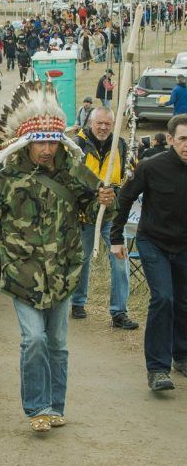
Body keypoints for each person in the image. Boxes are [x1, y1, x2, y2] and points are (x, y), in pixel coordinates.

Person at [0, 83, 115, 433]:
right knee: (33, 339)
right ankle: (36, 407)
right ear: (27, 144)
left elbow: (96, 210)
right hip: (22, 276)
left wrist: (108, 203)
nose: (47, 150)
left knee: (59, 345)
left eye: (52, 142)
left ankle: (55, 405)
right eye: (41, 143)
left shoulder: (75, 172)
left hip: (64, 273)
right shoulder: (5, 179)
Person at [111, 114, 187, 392]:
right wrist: (116, 237)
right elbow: (125, 197)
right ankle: (157, 369)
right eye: (182, 139)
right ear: (170, 140)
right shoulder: (150, 167)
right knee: (163, 298)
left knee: (183, 302)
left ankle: (182, 355)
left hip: (184, 244)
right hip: (153, 241)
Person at [70, 108, 138, 329]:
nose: (103, 128)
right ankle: (78, 302)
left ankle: (119, 312)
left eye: (108, 124)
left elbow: (126, 176)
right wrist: (92, 195)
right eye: (99, 123)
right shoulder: (77, 146)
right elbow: (71, 178)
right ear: (90, 122)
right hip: (84, 214)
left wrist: (116, 196)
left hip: (112, 214)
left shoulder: (120, 144)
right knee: (82, 258)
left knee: (120, 260)